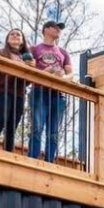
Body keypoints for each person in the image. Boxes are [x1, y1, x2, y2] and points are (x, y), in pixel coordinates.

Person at [28, 20, 72, 163]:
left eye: (60, 29)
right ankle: (32, 159)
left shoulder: (63, 52)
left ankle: (49, 162)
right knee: (37, 128)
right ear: (46, 29)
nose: (58, 30)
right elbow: (28, 69)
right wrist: (44, 72)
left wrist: (64, 77)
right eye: (55, 27)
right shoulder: (34, 49)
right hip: (39, 91)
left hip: (57, 95)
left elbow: (71, 74)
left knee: (53, 133)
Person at [0, 29, 33, 152]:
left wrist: (29, 70)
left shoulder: (26, 58)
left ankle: (8, 153)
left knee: (12, 126)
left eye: (18, 34)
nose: (15, 36)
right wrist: (16, 68)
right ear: (7, 39)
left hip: (19, 94)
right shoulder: (1, 53)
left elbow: (28, 82)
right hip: (3, 90)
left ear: (22, 41)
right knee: (1, 119)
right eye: (12, 34)